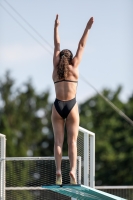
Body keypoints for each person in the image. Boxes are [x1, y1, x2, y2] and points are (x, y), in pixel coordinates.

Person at [51, 14, 94, 185]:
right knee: (73, 141)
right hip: (71, 105)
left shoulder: (56, 69)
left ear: (60, 58)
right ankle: (72, 170)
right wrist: (87, 28)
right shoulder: (74, 66)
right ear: (70, 58)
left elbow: (56, 45)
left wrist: (56, 27)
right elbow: (81, 45)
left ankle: (59, 170)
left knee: (58, 141)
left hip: (57, 107)